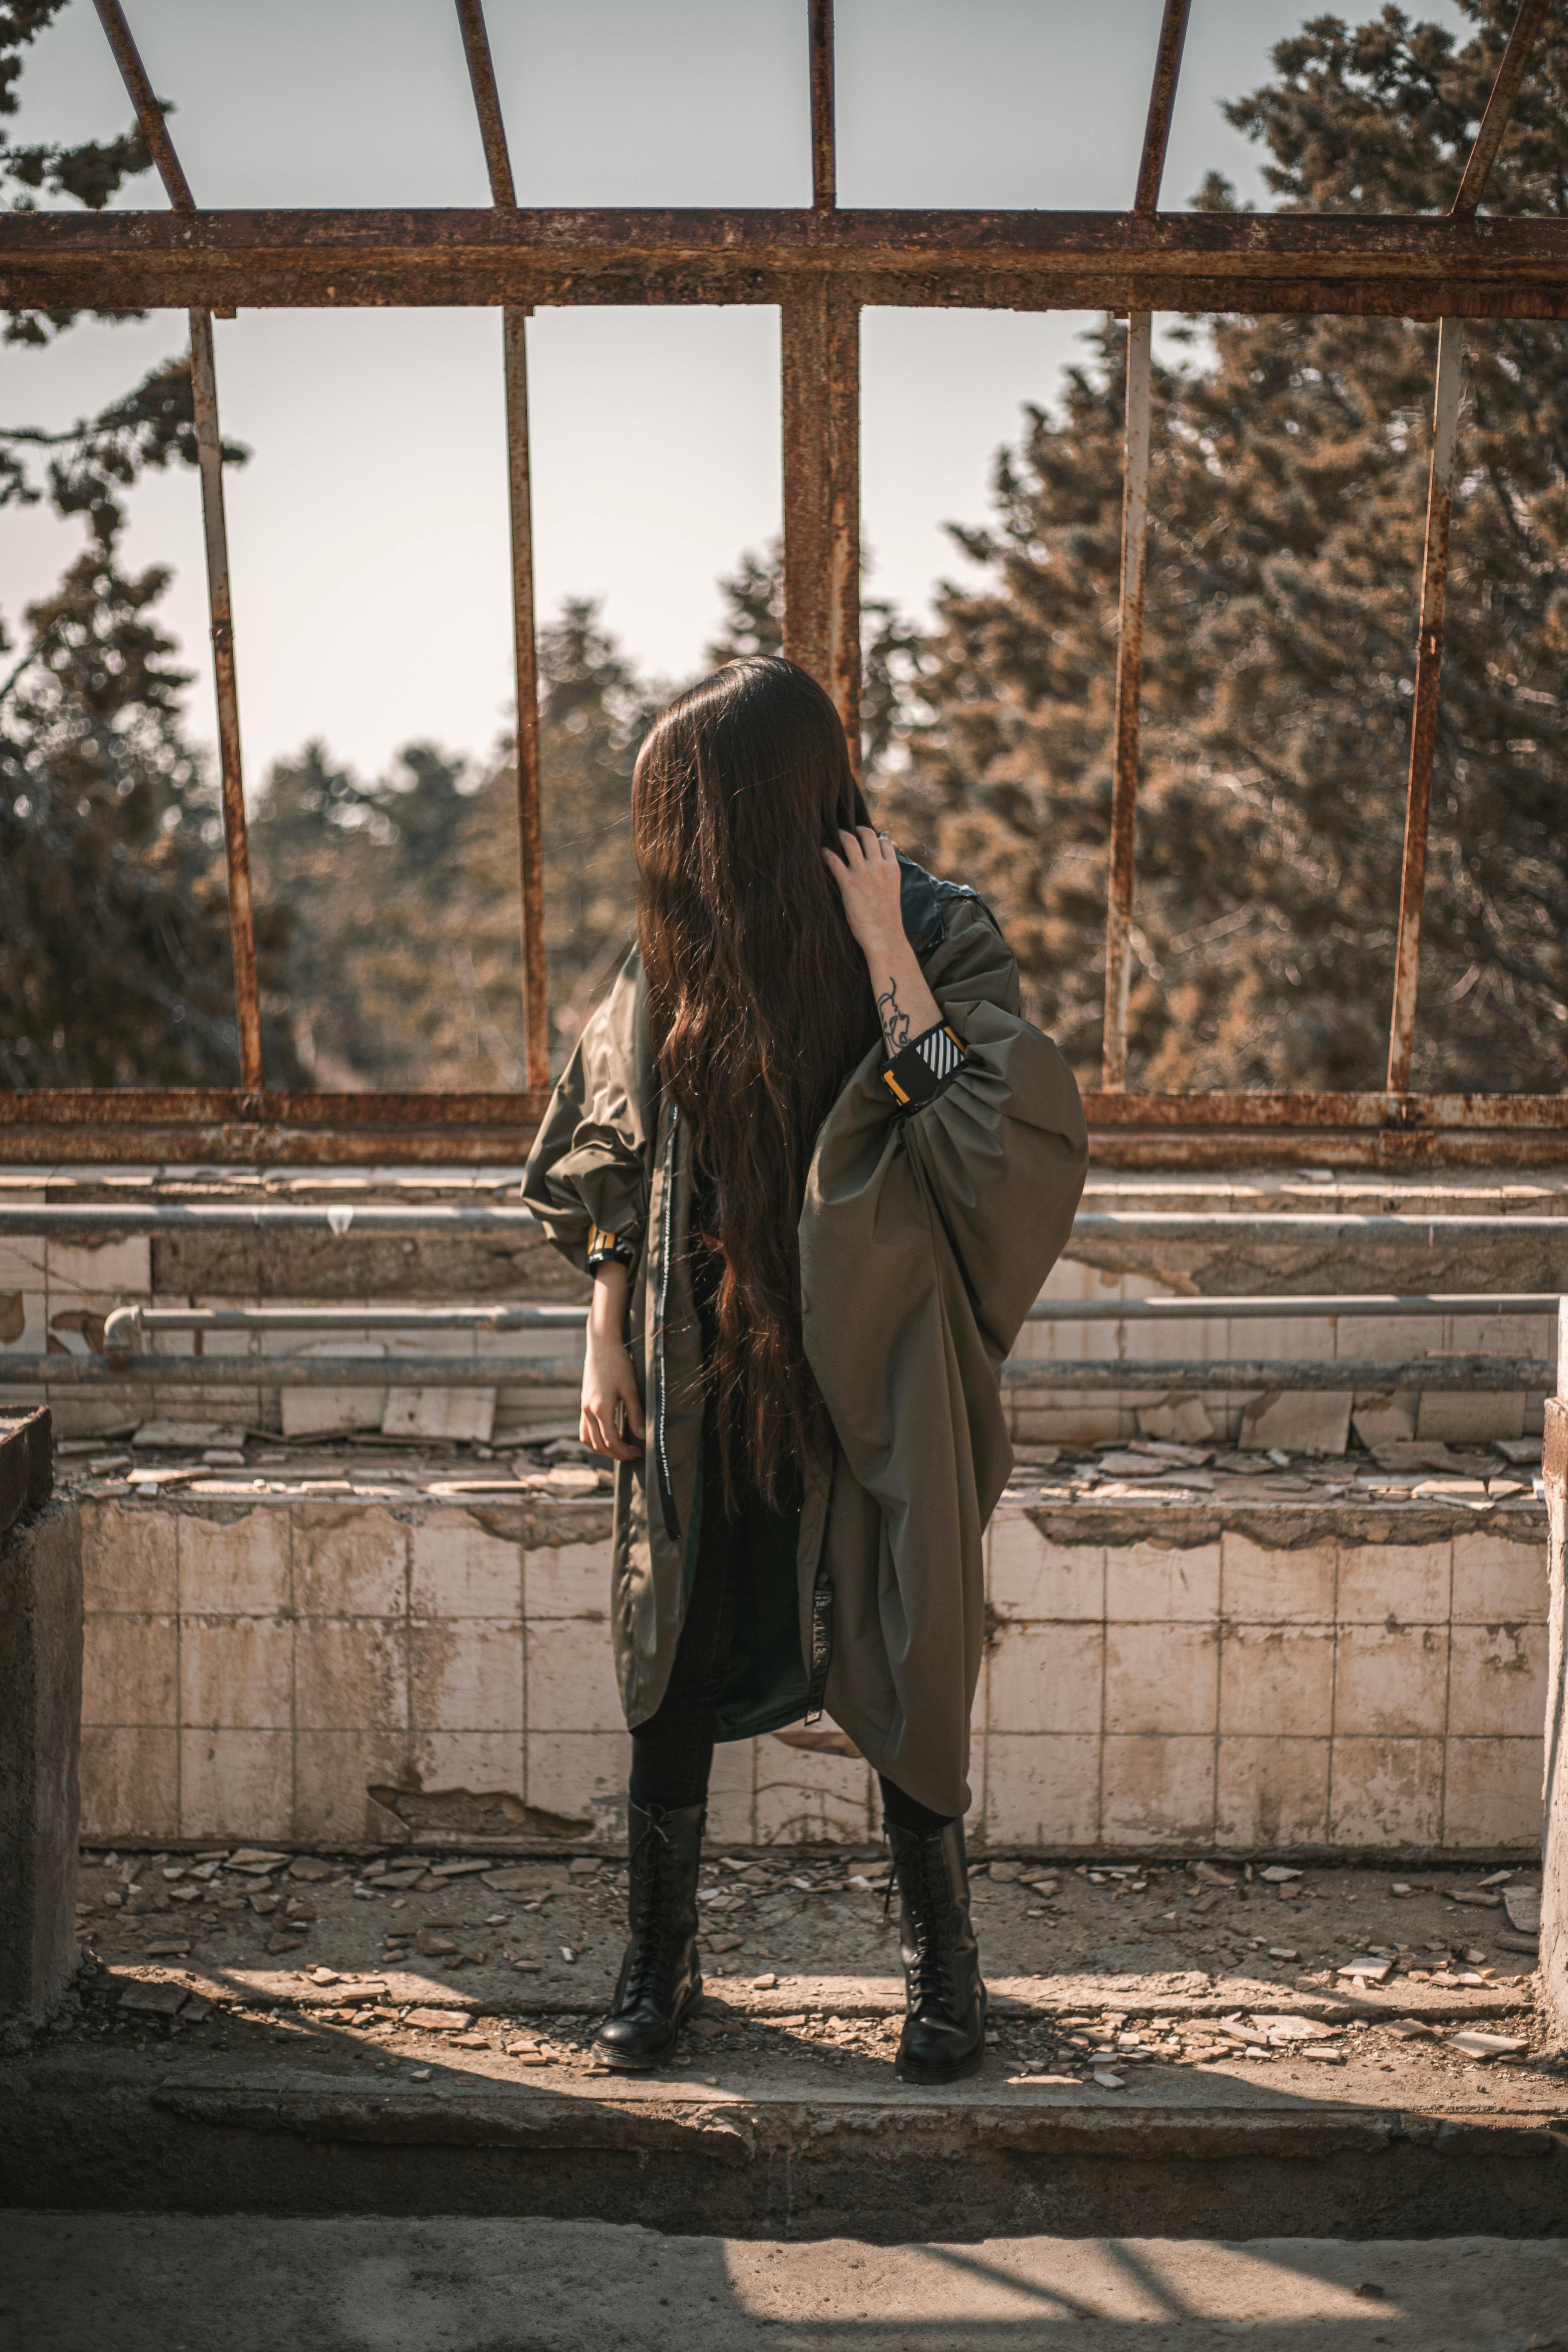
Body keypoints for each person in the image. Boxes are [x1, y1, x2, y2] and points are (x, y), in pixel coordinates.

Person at [522, 655, 1087, 2083]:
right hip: (705, 1360)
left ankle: (945, 1971)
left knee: (910, 1642)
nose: (674, 857)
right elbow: (610, 1139)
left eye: (692, 821)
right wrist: (606, 1320)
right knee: (677, 1644)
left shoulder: (939, 926)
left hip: (880, 1361)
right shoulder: (683, 947)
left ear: (755, 810)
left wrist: (885, 946)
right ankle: (660, 1961)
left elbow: (986, 1141)